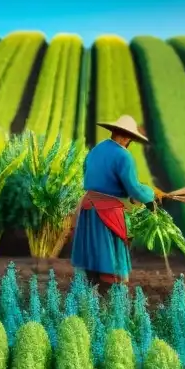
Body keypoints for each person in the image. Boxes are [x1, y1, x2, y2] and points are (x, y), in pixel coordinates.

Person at [71, 114, 164, 288]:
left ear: (113, 131)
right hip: (106, 211)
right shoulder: (124, 156)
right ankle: (108, 295)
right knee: (109, 258)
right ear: (128, 137)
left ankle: (89, 289)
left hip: (88, 207)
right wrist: (150, 196)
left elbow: (90, 175)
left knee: (91, 254)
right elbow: (134, 188)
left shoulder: (96, 150)